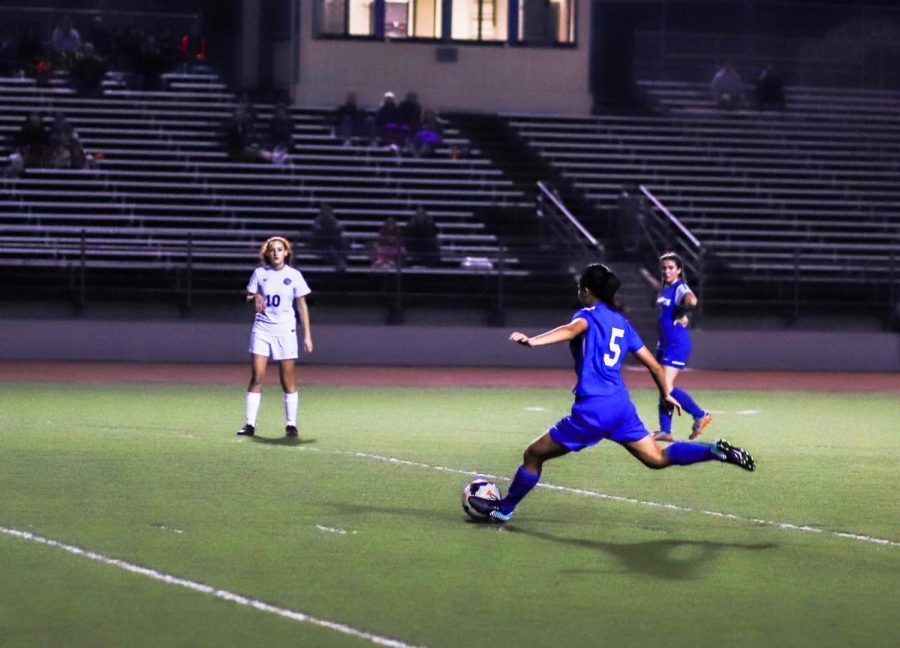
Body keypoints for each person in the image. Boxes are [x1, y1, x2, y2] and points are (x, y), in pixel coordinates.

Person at [467, 263, 755, 524]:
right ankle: (714, 451)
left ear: (587, 291)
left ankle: (504, 508)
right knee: (656, 458)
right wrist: (666, 393)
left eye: (580, 286)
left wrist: (532, 341)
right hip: (621, 406)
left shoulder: (587, 316)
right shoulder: (622, 323)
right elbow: (654, 366)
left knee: (533, 455)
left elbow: (568, 330)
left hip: (592, 410)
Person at [237, 237, 313, 438]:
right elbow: (248, 296)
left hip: (285, 330)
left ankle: (290, 424)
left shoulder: (294, 276)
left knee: (286, 379)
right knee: (257, 376)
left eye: (280, 250)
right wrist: (256, 297)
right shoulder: (260, 274)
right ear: (267, 254)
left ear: (286, 253)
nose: (276, 253)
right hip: (262, 329)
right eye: (272, 250)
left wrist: (307, 335)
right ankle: (250, 424)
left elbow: (302, 306)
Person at [648, 252, 712, 443]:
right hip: (665, 343)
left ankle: (700, 415)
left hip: (677, 343)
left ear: (679, 270)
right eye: (664, 268)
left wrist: (684, 311)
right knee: (663, 387)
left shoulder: (679, 287)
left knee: (666, 386)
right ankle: (665, 431)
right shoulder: (664, 289)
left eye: (670, 268)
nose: (667, 271)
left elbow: (692, 300)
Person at [310, 203, 349, 270]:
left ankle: (341, 261)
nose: (327, 213)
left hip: (332, 241)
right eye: (325, 211)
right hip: (321, 243)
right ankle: (339, 262)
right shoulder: (318, 220)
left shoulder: (333, 220)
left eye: (328, 211)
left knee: (344, 243)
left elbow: (339, 228)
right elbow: (316, 230)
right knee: (329, 248)